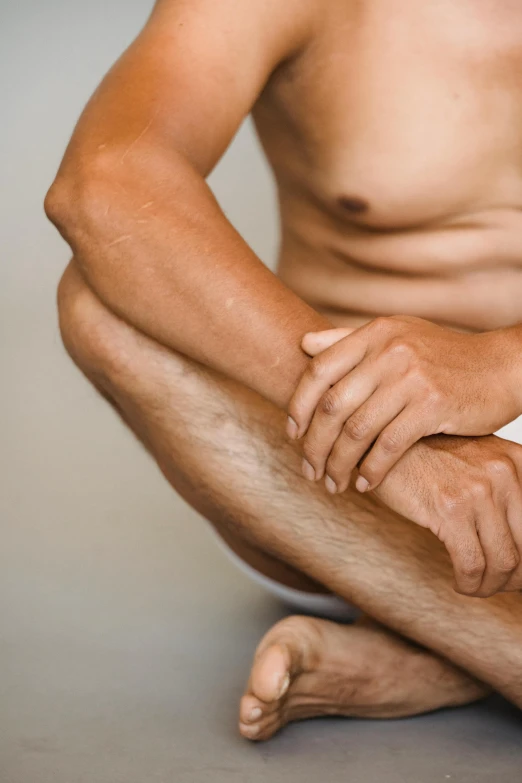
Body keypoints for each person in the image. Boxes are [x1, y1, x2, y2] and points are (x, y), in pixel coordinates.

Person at [45, 0, 522, 741]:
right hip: (344, 494)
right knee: (100, 297)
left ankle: (442, 650)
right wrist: (387, 441)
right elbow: (105, 182)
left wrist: (503, 362)